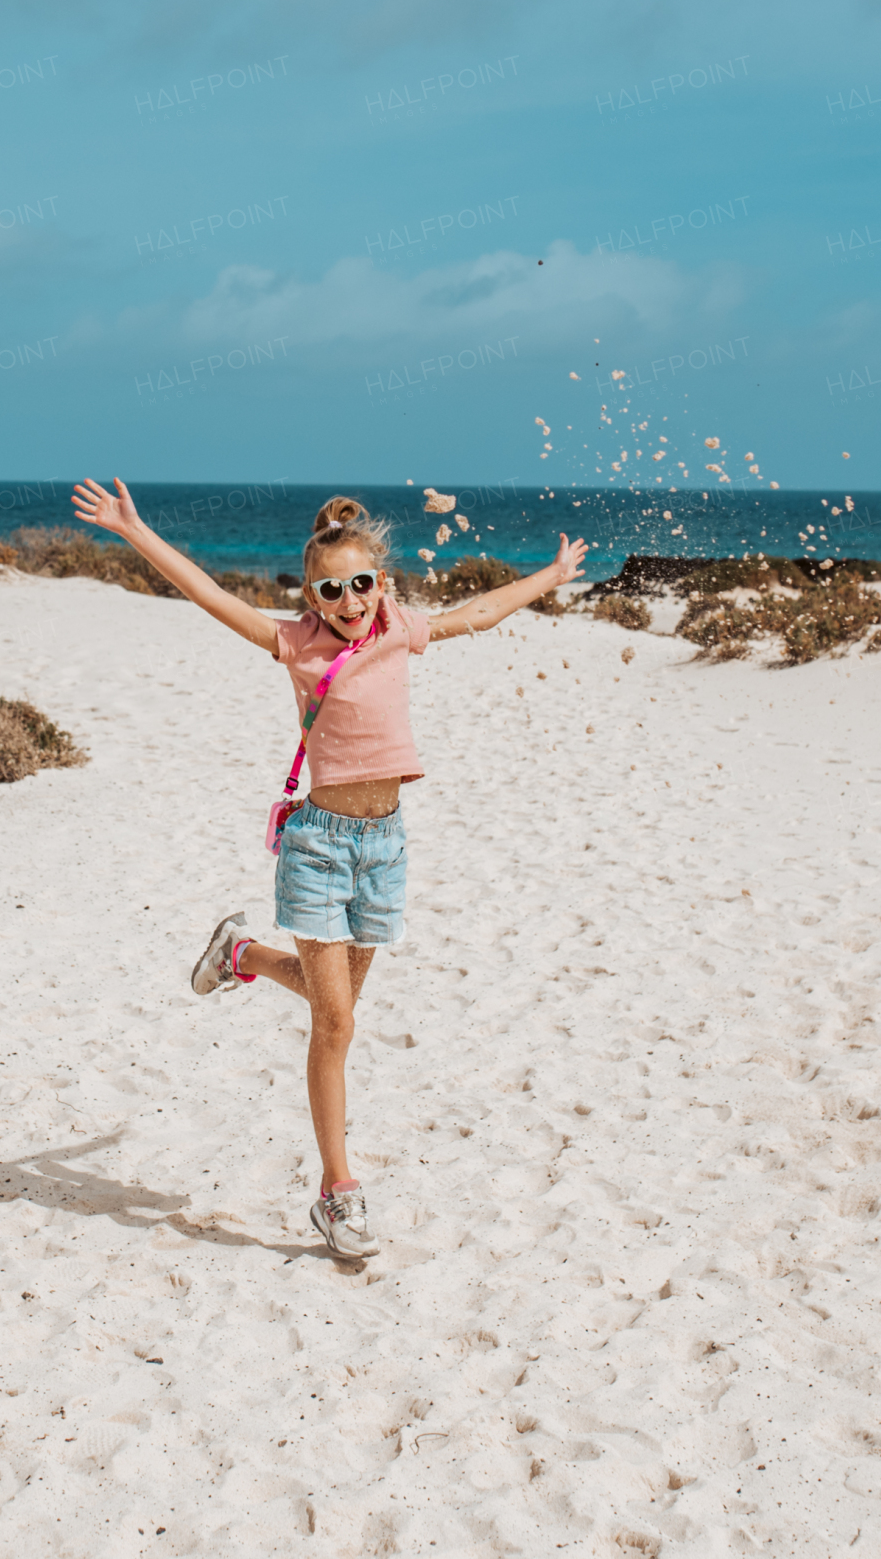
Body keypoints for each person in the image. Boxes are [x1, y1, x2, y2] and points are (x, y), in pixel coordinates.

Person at [70, 478, 585, 1259]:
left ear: (384, 584)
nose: (349, 600)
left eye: (362, 584)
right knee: (336, 1021)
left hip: (386, 848)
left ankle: (237, 955)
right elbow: (209, 594)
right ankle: (337, 1191)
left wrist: (548, 577)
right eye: (331, 589)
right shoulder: (298, 644)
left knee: (331, 1002)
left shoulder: (400, 630)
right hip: (318, 846)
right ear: (310, 596)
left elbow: (475, 615)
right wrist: (133, 532)